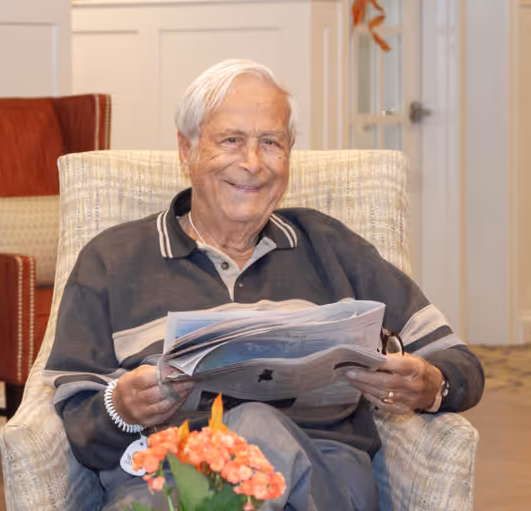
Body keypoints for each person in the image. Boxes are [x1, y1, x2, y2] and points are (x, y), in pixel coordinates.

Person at [45, 59, 484, 511]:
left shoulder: (332, 247)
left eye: (270, 142)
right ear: (187, 150)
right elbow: (79, 426)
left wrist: (430, 385)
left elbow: (461, 364)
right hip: (165, 478)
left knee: (257, 424)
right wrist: (122, 409)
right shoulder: (113, 259)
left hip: (322, 478)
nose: (253, 163)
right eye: (231, 141)